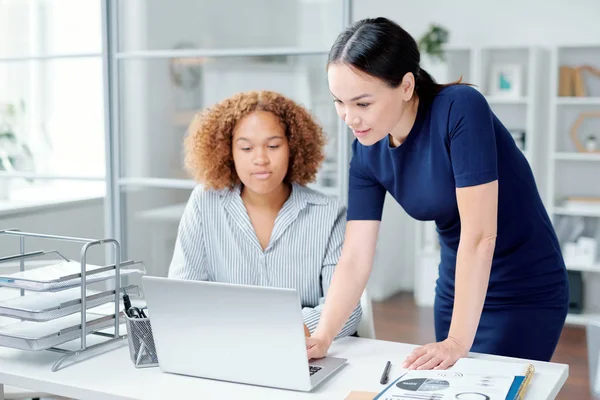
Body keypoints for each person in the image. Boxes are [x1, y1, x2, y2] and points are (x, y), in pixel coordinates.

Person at [306, 17, 569, 369]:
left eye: (363, 103)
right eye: (340, 102)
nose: (349, 118)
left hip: (523, 288)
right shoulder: (366, 152)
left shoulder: (459, 108)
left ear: (405, 86)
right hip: (456, 289)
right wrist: (323, 336)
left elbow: (479, 236)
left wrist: (457, 340)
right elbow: (355, 256)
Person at [167, 90, 362, 338]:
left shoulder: (329, 214)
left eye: (273, 146)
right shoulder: (204, 204)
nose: (260, 159)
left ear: (293, 148)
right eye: (246, 148)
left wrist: (268, 332)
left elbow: (348, 313)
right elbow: (183, 296)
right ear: (228, 153)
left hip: (303, 351)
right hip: (226, 346)